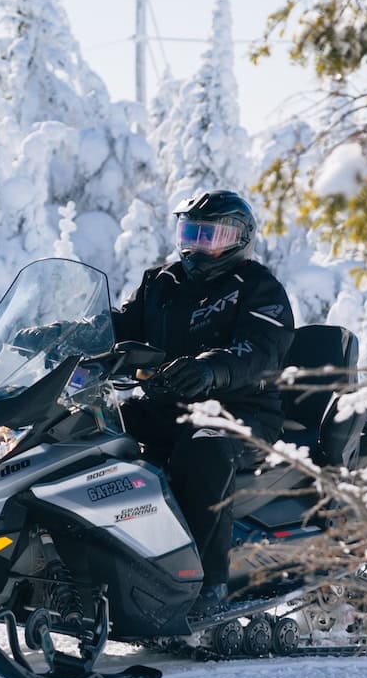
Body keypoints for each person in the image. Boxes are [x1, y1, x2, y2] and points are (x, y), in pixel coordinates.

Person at [110, 189, 294, 614]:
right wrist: (65, 334)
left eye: (211, 236)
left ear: (239, 239)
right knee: (91, 426)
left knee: (203, 449)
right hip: (165, 405)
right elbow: (120, 325)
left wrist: (212, 369)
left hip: (240, 414)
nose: (198, 246)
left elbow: (262, 349)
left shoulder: (259, 288)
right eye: (191, 233)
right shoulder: (162, 283)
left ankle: (207, 585)